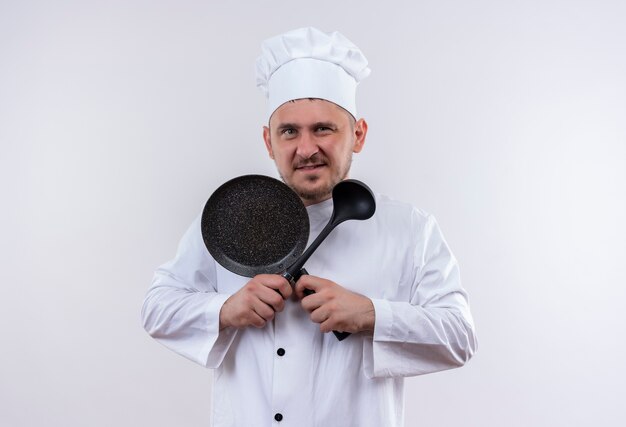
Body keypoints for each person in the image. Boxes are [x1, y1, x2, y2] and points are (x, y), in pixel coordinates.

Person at [142, 27, 477, 427]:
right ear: (268, 141)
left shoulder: (409, 229)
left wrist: (371, 314)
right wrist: (225, 309)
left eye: (323, 128)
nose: (306, 148)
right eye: (289, 131)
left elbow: (459, 336)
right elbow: (157, 309)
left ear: (358, 135)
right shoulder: (228, 219)